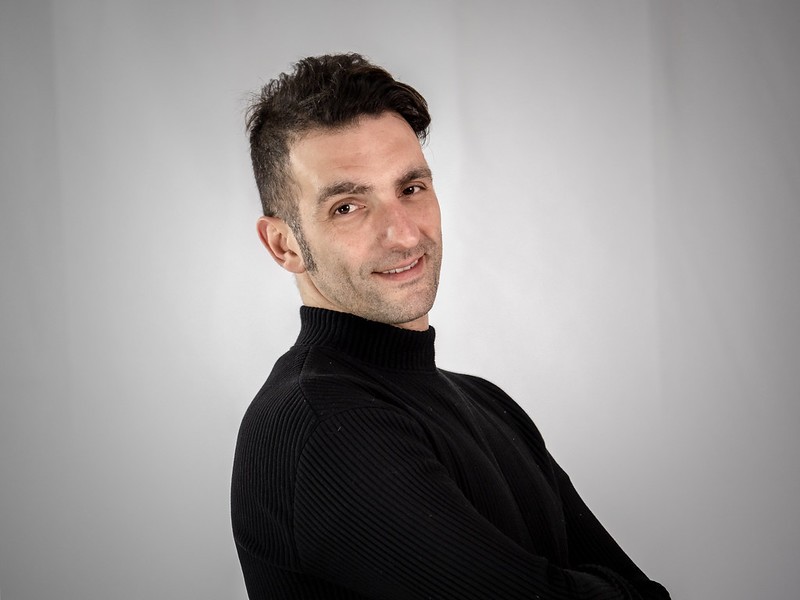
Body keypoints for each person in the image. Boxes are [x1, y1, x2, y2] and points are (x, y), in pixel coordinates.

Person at [231, 53, 670, 600]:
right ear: (284, 244)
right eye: (347, 206)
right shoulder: (320, 422)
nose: (403, 234)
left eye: (411, 189)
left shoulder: (487, 403)